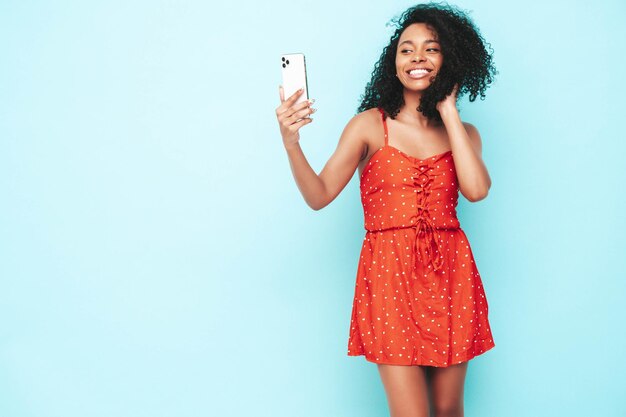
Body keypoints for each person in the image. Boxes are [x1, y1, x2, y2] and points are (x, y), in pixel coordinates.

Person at [275, 3, 497, 416]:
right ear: (393, 62)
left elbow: (477, 190)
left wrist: (448, 109)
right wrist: (292, 144)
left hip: (451, 274)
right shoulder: (367, 125)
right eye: (406, 49)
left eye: (431, 49)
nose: (416, 58)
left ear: (450, 59)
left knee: (448, 409)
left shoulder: (464, 133)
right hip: (390, 275)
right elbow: (319, 194)